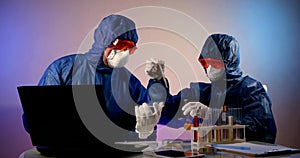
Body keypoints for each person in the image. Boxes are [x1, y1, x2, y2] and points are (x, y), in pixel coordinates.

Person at [22, 14, 164, 156]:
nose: (124, 52)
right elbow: (35, 121)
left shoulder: (128, 81)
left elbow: (152, 114)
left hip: (113, 153)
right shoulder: (63, 69)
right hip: (62, 152)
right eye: (121, 45)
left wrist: (147, 130)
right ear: (104, 42)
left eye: (130, 48)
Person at [146, 33, 277, 143]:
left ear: (229, 63)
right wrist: (158, 82)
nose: (209, 68)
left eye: (215, 63)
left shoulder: (251, 90)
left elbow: (263, 132)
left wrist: (212, 115)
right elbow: (166, 112)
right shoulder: (201, 92)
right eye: (205, 62)